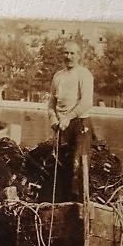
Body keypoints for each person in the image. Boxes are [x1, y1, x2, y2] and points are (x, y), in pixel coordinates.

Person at [47, 40, 95, 202]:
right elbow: (52, 101)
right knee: (60, 165)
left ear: (79, 55)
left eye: (72, 53)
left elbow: (86, 102)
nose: (68, 56)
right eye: (66, 53)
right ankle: (62, 203)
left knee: (78, 165)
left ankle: (80, 202)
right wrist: (53, 118)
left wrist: (68, 117)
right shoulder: (58, 76)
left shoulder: (84, 74)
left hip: (80, 124)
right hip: (61, 125)